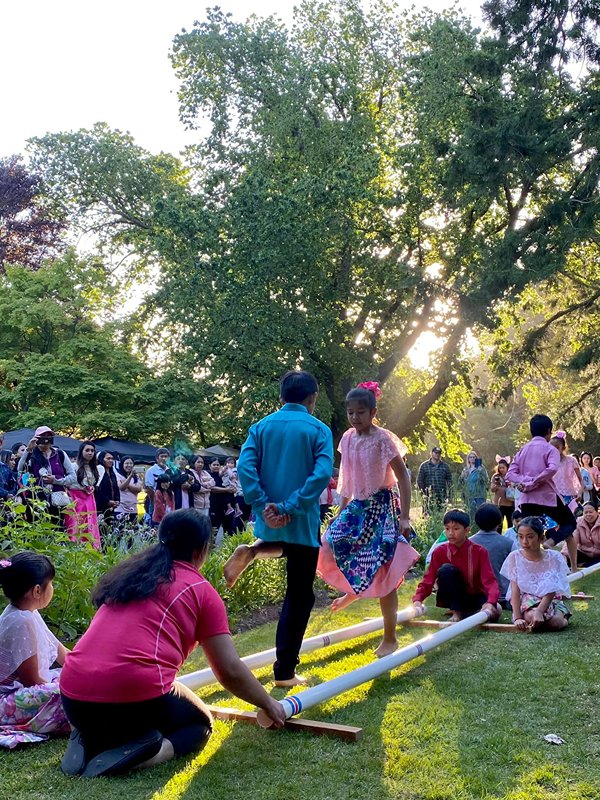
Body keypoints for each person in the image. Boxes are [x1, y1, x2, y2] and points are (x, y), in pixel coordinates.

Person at [58, 509, 285, 777]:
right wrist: (269, 704)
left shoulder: (129, 577)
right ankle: (142, 756)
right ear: (202, 550)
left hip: (72, 695)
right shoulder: (201, 590)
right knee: (199, 724)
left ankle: (86, 737)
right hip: (131, 698)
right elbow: (229, 670)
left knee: (159, 691)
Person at [223, 370, 333, 686]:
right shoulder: (319, 429)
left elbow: (245, 467)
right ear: (313, 398)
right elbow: (321, 474)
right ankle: (285, 671)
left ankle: (253, 550)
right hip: (301, 520)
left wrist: (264, 505)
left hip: (268, 517)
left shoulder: (260, 427)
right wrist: (289, 507)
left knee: (280, 547)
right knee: (299, 596)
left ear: (281, 397)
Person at [317, 383, 419, 657]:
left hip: (382, 505)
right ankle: (355, 590)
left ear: (373, 412)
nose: (354, 417)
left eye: (360, 412)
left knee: (384, 570)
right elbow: (347, 478)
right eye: (350, 412)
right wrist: (342, 510)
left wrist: (404, 517)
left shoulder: (383, 439)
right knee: (329, 542)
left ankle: (390, 637)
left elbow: (403, 477)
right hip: (358, 506)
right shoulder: (348, 438)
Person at [0, 553, 69, 748]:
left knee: (73, 679)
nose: (52, 588)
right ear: (37, 590)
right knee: (66, 692)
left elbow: (63, 653)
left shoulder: (28, 613)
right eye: (51, 583)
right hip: (6, 700)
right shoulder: (21, 620)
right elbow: (32, 681)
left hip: (24, 689)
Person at [506, 415, 578, 573]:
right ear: (548, 431)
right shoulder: (550, 449)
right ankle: (551, 542)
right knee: (570, 523)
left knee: (530, 534)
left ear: (531, 431)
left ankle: (532, 569)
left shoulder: (522, 450)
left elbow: (510, 474)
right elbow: (552, 468)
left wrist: (525, 481)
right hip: (547, 497)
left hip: (527, 499)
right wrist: (535, 480)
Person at [412, 509, 501, 622]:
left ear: (467, 530)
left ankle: (469, 612)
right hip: (452, 598)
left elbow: (489, 581)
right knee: (446, 570)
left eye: (456, 529)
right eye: (447, 529)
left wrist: (490, 602)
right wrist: (418, 600)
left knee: (497, 609)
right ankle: (457, 612)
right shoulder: (440, 551)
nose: (450, 533)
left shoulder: (480, 552)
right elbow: (428, 579)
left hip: (475, 596)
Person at [500, 516, 571, 632]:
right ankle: (539, 615)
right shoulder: (514, 557)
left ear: (541, 538)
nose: (524, 541)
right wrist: (517, 618)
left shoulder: (553, 557)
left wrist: (539, 611)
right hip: (528, 600)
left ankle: (561, 615)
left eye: (530, 537)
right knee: (532, 618)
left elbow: (552, 589)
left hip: (550, 599)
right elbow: (515, 589)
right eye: (520, 537)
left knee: (556, 623)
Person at [17, 427, 76, 523]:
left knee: (57, 527)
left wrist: (56, 480)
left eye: (48, 437)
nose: (45, 441)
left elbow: (73, 477)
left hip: (57, 501)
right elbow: (20, 469)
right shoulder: (31, 455)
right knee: (37, 526)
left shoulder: (59, 454)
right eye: (42, 438)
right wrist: (28, 449)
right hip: (36, 500)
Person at [470, 503, 513, 605]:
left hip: (476, 595)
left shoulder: (468, 543)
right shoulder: (508, 543)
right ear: (499, 521)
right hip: (503, 596)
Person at [65, 441, 101, 549]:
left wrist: (91, 487)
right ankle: (75, 548)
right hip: (76, 498)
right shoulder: (73, 466)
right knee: (76, 523)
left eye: (92, 451)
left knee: (90, 523)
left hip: (89, 498)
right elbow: (67, 483)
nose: (90, 453)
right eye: (87, 450)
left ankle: (92, 548)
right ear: (81, 451)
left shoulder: (94, 468)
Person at [550, 431, 583, 511]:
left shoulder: (571, 460)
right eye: (551, 447)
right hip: (553, 496)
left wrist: (580, 493)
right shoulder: (548, 462)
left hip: (569, 495)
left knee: (571, 516)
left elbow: (580, 479)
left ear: (563, 448)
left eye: (557, 447)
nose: (554, 450)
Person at [563, 501, 600, 567]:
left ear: (597, 512)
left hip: (598, 554)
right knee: (566, 559)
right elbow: (572, 540)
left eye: (591, 512)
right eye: (585, 512)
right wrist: (564, 555)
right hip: (584, 553)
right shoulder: (578, 522)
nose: (588, 515)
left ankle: (586, 565)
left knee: (593, 565)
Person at [416, 446, 452, 515]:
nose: (437, 454)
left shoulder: (445, 466)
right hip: (428, 497)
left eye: (439, 453)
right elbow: (419, 481)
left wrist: (450, 496)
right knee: (427, 517)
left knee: (441, 517)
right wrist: (423, 494)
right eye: (436, 453)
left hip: (441, 497)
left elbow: (450, 482)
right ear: (431, 453)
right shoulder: (424, 466)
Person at [458, 451, 489, 521]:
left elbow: (486, 480)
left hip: (479, 495)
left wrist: (480, 472)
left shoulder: (481, 468)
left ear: (476, 458)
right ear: (468, 459)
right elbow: (460, 482)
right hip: (468, 495)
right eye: (470, 457)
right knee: (470, 514)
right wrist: (463, 476)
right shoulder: (466, 469)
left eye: (474, 457)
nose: (472, 458)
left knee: (479, 514)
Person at [94, 452, 120, 535]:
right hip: (101, 506)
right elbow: (98, 489)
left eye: (112, 458)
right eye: (108, 458)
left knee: (109, 530)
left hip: (111, 507)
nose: (111, 460)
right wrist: (107, 501)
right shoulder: (99, 470)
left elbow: (116, 487)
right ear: (102, 459)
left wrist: (117, 500)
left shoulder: (112, 473)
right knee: (102, 530)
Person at [208, 459, 235, 536]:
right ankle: (211, 543)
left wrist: (233, 489)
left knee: (229, 530)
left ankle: (229, 543)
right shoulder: (208, 475)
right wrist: (226, 490)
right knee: (214, 529)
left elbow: (232, 483)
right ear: (210, 466)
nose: (216, 466)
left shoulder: (224, 475)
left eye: (217, 465)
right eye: (214, 465)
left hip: (227, 506)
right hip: (214, 506)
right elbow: (212, 489)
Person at [114, 456, 142, 527]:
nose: (129, 465)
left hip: (133, 508)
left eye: (131, 463)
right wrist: (130, 477)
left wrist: (127, 485)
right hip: (120, 508)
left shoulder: (136, 477)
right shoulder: (118, 475)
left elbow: (139, 489)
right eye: (126, 463)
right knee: (120, 529)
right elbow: (121, 487)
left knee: (132, 530)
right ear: (122, 464)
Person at [144, 448, 170, 519]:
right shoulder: (151, 471)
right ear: (157, 458)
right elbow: (149, 488)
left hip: (168, 502)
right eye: (162, 456)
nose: (164, 459)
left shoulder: (170, 470)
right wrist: (156, 501)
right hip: (155, 502)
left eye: (166, 456)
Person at [490, 457, 515, 528]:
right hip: (499, 503)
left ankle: (509, 535)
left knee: (510, 523)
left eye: (503, 468)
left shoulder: (511, 476)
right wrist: (497, 485)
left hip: (509, 503)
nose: (501, 469)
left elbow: (515, 487)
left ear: (507, 467)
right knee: (499, 524)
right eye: (500, 468)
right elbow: (492, 489)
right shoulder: (496, 476)